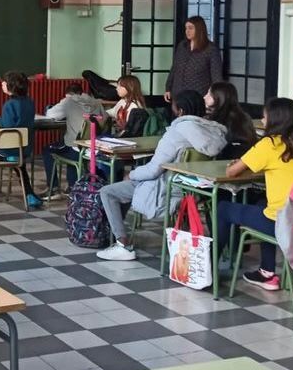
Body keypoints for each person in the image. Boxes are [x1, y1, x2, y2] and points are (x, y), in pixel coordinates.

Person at [97, 90, 228, 261]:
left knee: (108, 192)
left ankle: (122, 244)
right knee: (126, 188)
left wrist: (133, 174)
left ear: (180, 110)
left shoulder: (176, 133)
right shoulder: (215, 130)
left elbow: (153, 170)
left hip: (165, 189)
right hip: (197, 190)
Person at [218, 97, 293, 290]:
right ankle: (266, 273)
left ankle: (208, 266)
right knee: (261, 203)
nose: (262, 121)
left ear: (276, 120)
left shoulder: (270, 144)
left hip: (282, 222)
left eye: (265, 117)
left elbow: (231, 172)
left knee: (223, 208)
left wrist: (239, 165)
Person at [0, 71, 41, 209]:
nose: (2, 84)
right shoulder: (30, 102)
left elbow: (6, 128)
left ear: (11, 86)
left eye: (4, 82)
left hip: (6, 151)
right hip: (22, 149)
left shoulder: (9, 105)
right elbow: (16, 123)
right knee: (19, 164)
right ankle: (29, 194)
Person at [40, 83, 104, 195]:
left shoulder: (68, 101)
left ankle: (53, 188)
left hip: (76, 148)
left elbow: (51, 114)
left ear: (68, 94)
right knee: (68, 146)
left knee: (48, 150)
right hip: (93, 148)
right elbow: (104, 120)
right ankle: (72, 185)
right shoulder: (97, 103)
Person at [164, 16, 222, 103]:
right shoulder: (182, 46)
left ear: (199, 29)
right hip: (178, 95)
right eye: (186, 28)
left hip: (198, 96)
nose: (187, 31)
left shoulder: (211, 49)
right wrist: (168, 87)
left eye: (190, 28)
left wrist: (213, 96)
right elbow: (175, 68)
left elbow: (216, 76)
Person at [205, 82, 257, 159]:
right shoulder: (244, 116)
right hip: (248, 160)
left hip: (225, 161)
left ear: (220, 97)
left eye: (209, 94)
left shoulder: (218, 120)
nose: (204, 97)